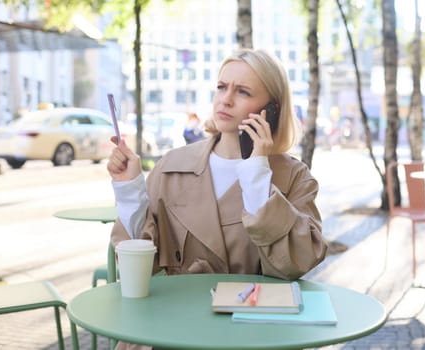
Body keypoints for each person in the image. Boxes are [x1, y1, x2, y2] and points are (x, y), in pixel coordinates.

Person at [107, 49, 327, 349]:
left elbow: (296, 263)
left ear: (271, 109)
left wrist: (256, 174)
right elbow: (138, 261)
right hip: (169, 330)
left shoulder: (294, 177)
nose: (226, 99)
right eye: (222, 87)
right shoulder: (172, 165)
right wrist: (129, 189)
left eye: (243, 91)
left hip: (253, 336)